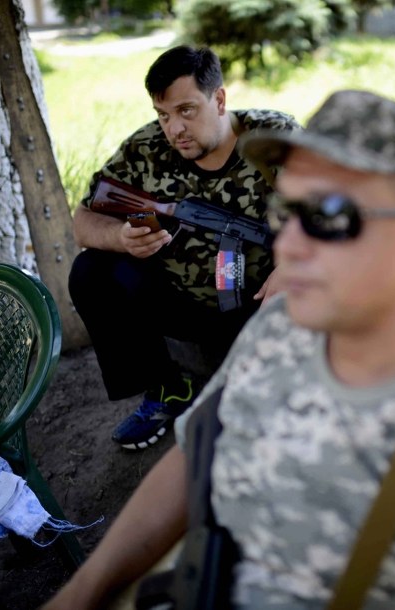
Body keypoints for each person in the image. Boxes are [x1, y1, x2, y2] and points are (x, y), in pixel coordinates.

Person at [44, 89, 395, 609]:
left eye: (327, 217)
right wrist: (79, 596)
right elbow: (198, 458)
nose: (286, 243)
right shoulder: (281, 328)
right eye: (285, 212)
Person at [68, 45, 300, 451]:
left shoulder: (273, 137)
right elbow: (84, 220)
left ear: (220, 99)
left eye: (187, 111)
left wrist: (294, 265)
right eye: (164, 114)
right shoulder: (146, 149)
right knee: (91, 270)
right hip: (178, 301)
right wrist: (120, 237)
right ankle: (166, 390)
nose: (174, 128)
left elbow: (335, 210)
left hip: (261, 305)